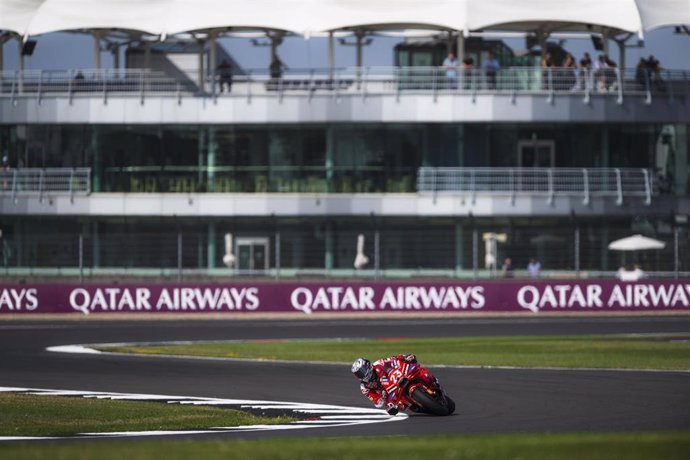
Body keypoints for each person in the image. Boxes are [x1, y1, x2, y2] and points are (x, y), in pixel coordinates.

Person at [351, 354, 437, 415]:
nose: (361, 375)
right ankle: (423, 406)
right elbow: (377, 402)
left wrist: (405, 357)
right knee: (403, 407)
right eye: (358, 374)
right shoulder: (364, 387)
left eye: (361, 371)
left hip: (398, 378)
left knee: (420, 371)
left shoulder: (379, 363)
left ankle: (433, 382)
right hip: (391, 394)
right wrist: (383, 400)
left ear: (367, 365)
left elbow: (394, 359)